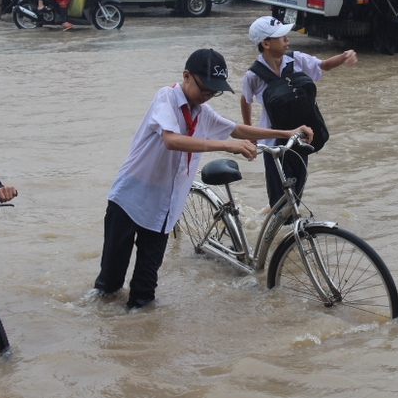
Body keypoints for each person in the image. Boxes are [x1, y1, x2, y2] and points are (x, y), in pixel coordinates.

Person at [93, 48, 313, 310]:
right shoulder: (166, 98)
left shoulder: (202, 111)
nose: (208, 96)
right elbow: (172, 140)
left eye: (214, 92)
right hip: (130, 201)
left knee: (144, 294)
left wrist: (287, 131)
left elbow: (236, 129)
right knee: (110, 285)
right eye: (205, 89)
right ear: (186, 76)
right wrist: (225, 146)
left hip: (163, 210)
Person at [240, 16, 358, 210]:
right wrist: (250, 132)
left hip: (302, 137)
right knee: (281, 198)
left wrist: (344, 57)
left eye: (286, 35)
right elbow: (246, 99)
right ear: (265, 43)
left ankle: (280, 223)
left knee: (296, 193)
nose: (287, 39)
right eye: (281, 37)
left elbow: (324, 65)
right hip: (274, 143)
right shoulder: (254, 75)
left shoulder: (297, 60)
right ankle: (276, 228)